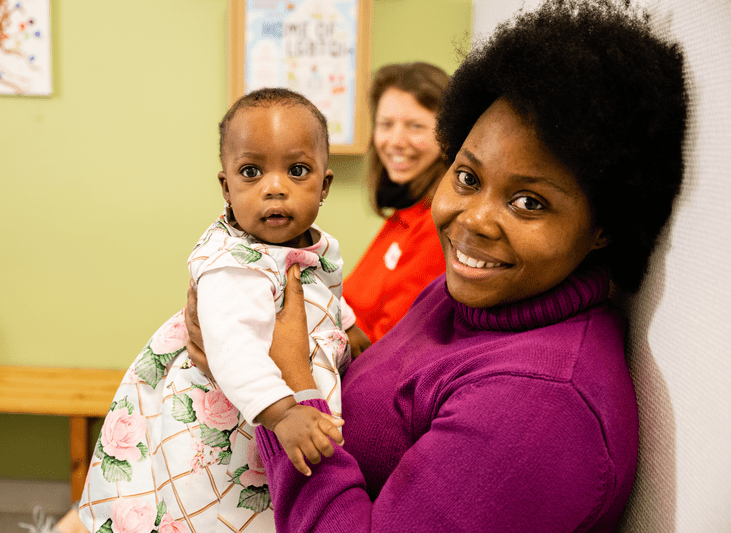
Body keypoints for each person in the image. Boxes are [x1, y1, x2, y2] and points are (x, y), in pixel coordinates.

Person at [186, 0, 688, 531]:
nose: (474, 221)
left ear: (604, 225)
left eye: (530, 202)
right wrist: (244, 339)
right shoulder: (468, 297)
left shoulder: (542, 406)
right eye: (468, 178)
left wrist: (291, 384)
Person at [78, 88, 365, 533]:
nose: (274, 186)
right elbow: (232, 350)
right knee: (222, 504)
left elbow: (321, 292)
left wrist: (352, 332)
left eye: (297, 170)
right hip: (243, 406)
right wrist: (284, 414)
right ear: (226, 186)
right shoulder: (232, 264)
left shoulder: (312, 244)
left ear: (323, 186)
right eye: (251, 172)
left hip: (280, 398)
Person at [341, 62, 450, 345]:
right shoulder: (405, 215)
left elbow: (388, 346)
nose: (396, 141)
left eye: (415, 126)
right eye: (386, 125)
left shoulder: (438, 224)